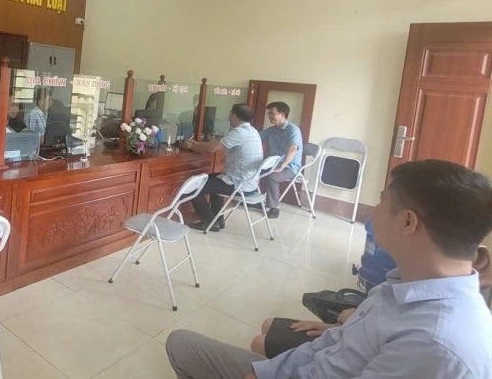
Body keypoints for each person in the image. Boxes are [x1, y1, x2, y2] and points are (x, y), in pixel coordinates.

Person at [166, 159, 492, 379]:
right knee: (183, 343)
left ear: (407, 222)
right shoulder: (405, 285)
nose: (373, 210)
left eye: (382, 199)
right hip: (301, 367)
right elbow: (332, 347)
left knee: (182, 346)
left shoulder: (435, 346)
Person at [251, 246, 492, 359]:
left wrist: (350, 322)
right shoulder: (413, 277)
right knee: (268, 325)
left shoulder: (447, 319)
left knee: (260, 343)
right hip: (358, 335)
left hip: (365, 350)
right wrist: (337, 326)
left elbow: (396, 334)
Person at [179, 104, 264, 232]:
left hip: (239, 185)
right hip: (250, 184)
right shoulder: (252, 131)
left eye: (230, 112)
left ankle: (209, 221)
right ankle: (218, 220)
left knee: (193, 186)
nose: (228, 116)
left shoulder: (238, 133)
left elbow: (213, 148)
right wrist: (195, 143)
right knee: (213, 178)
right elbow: (217, 144)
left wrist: (190, 146)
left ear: (234, 115)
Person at [259, 102, 303, 219]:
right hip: (273, 164)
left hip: (290, 167)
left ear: (282, 114)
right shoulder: (271, 130)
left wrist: (282, 166)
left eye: (272, 113)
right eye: (269, 114)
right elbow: (256, 137)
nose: (269, 116)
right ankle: (253, 199)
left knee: (272, 177)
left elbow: (293, 148)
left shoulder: (293, 130)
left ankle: (274, 208)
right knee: (254, 170)